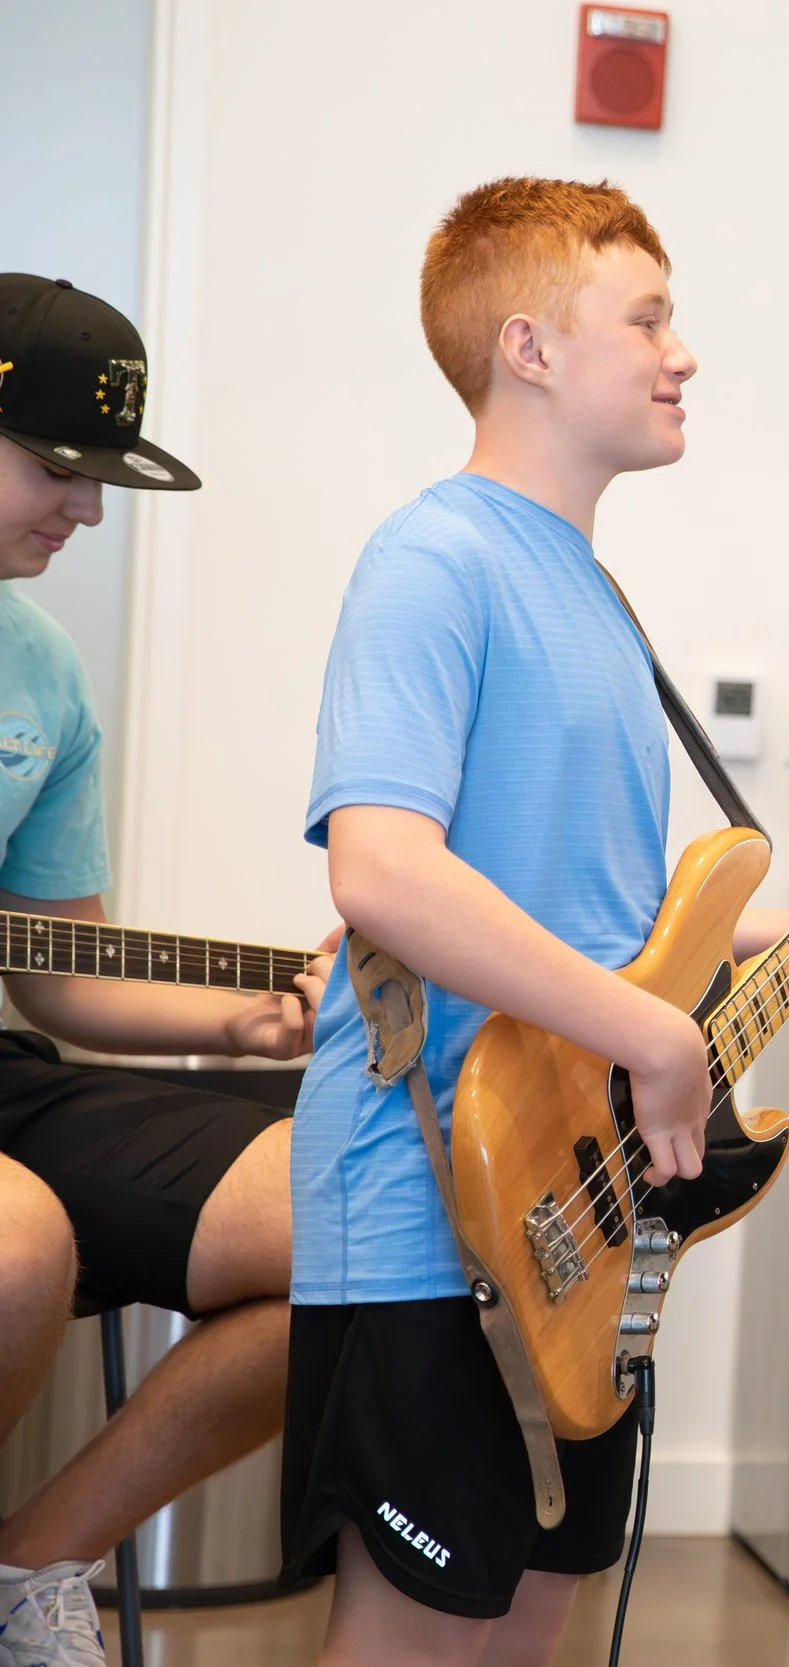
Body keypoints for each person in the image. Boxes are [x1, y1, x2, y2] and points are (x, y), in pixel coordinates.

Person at [276, 178, 789, 1666]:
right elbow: (382, 869)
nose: (682, 351)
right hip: (425, 1214)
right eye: (646, 317)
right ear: (530, 347)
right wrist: (654, 1028)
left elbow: (603, 929)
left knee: (532, 1629)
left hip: (573, 1230)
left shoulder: (588, 589)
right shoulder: (434, 558)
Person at [0, 274, 332, 1667]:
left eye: (103, 478)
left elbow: (57, 974)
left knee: (367, 1219)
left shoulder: (45, 670)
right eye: (59, 468)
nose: (86, 509)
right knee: (19, 1244)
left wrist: (249, 1023)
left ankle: (31, 1567)